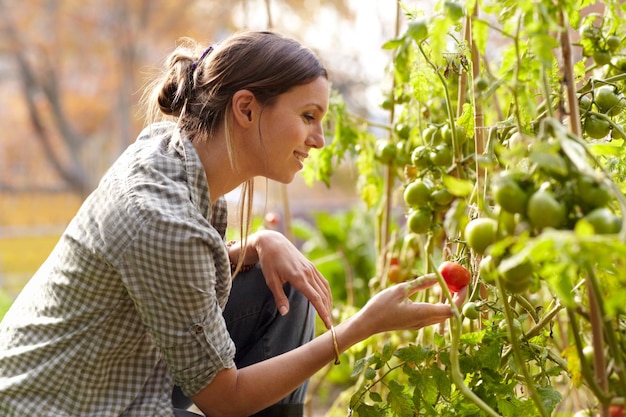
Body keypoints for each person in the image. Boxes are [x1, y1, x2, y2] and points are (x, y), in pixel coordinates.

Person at [0, 30, 466, 417]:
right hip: (59, 407)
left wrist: (256, 244)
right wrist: (360, 327)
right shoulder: (159, 215)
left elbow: (162, 280)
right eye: (308, 117)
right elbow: (226, 399)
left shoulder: (172, 154)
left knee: (283, 287)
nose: (319, 140)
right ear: (245, 109)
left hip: (117, 380)